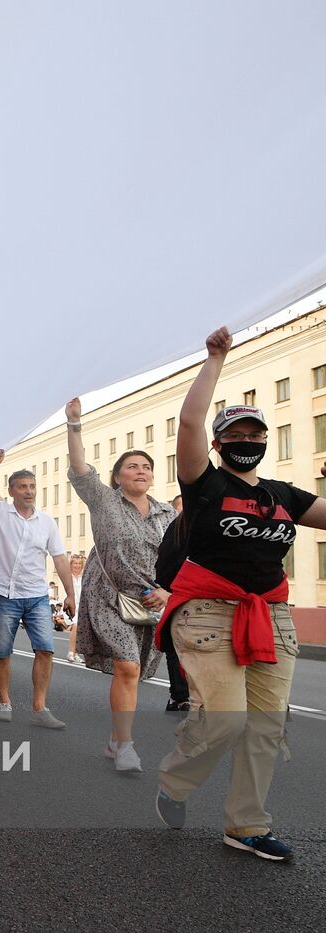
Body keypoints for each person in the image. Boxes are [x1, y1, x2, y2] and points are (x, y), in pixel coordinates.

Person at [155, 327, 326, 862]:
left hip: (270, 616)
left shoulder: (282, 496)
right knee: (225, 720)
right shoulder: (204, 483)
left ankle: (246, 825)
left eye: (256, 435)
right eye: (237, 435)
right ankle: (176, 781)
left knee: (266, 727)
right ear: (219, 444)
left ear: (265, 442)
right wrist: (216, 358)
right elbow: (188, 421)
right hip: (207, 613)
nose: (248, 442)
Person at [66, 397, 176, 772]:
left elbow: (180, 558)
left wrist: (168, 591)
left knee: (138, 671)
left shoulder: (168, 513)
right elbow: (80, 470)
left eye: (146, 467)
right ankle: (126, 745)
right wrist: (74, 424)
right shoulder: (103, 501)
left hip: (150, 601)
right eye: (132, 466)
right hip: (108, 596)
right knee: (127, 667)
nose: (140, 471)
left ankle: (115, 740)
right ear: (117, 476)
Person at [0, 452, 76, 727]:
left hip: (36, 595)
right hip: (3, 595)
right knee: (2, 652)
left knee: (46, 650)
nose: (29, 491)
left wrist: (70, 593)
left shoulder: (47, 522)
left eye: (32, 486)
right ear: (12, 490)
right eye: (23, 486)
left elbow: (60, 558)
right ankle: (4, 701)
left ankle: (39, 708)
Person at [155, 496, 191, 712]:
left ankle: (181, 696)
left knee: (177, 647)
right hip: (179, 596)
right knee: (176, 648)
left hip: (183, 594)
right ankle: (181, 696)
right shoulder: (176, 529)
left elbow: (163, 564)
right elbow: (164, 563)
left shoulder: (180, 528)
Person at [65, 553, 86, 663]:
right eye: (75, 563)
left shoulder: (84, 575)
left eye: (79, 564)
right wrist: (70, 558)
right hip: (71, 605)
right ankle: (70, 653)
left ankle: (76, 653)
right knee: (76, 626)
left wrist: (85, 559)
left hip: (82, 606)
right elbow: (63, 565)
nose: (77, 566)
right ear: (71, 564)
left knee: (80, 630)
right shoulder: (68, 576)